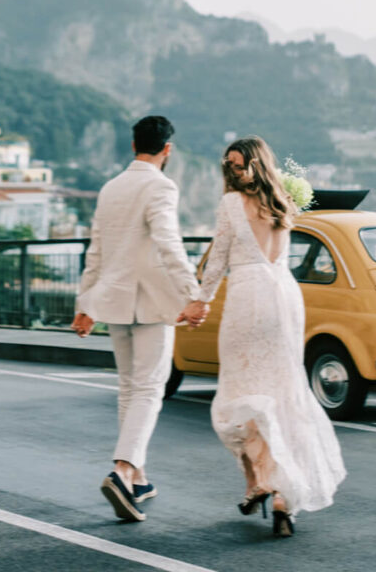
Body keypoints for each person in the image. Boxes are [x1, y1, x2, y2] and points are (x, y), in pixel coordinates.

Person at [194, 136, 346, 538]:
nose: (232, 171)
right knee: (282, 394)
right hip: (284, 301)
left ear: (253, 165)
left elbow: (218, 260)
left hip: (248, 300)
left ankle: (258, 483)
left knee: (237, 395)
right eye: (228, 165)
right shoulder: (284, 202)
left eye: (237, 165)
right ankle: (282, 497)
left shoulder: (231, 205)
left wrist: (200, 301)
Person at [71, 115, 208, 523]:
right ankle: (123, 470)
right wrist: (193, 294)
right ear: (168, 150)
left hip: (113, 302)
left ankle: (139, 480)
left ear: (134, 146)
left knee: (130, 389)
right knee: (150, 389)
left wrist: (85, 304)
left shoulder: (111, 188)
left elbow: (96, 251)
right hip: (150, 303)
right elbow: (169, 243)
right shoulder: (161, 186)